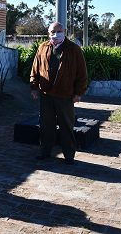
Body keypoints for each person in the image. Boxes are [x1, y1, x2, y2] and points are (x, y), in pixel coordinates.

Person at [30, 22, 87, 165]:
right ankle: (45, 152)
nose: (56, 34)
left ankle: (69, 155)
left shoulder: (74, 49)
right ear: (48, 33)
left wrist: (78, 93)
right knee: (46, 124)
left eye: (59, 31)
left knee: (66, 126)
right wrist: (33, 87)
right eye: (52, 31)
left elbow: (82, 73)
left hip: (65, 94)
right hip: (46, 94)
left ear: (64, 31)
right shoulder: (43, 47)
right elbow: (35, 68)